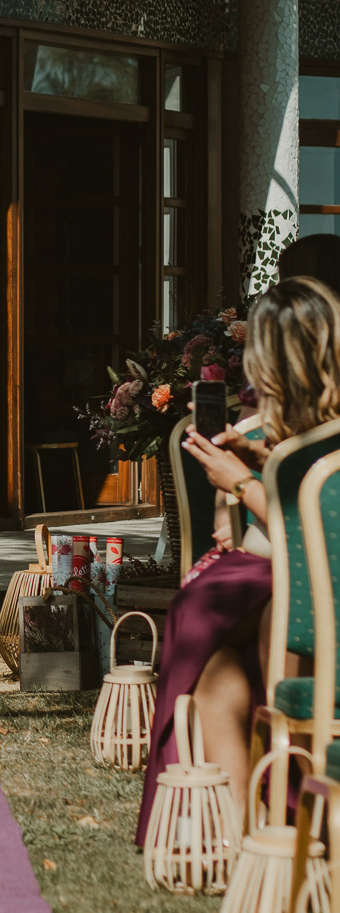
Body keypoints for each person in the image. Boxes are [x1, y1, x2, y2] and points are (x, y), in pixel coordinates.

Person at [135, 276, 340, 841]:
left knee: (209, 614)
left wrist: (241, 483)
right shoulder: (300, 431)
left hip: (316, 593)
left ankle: (268, 817)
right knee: (212, 652)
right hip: (287, 578)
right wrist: (252, 460)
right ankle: (241, 824)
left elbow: (316, 532)